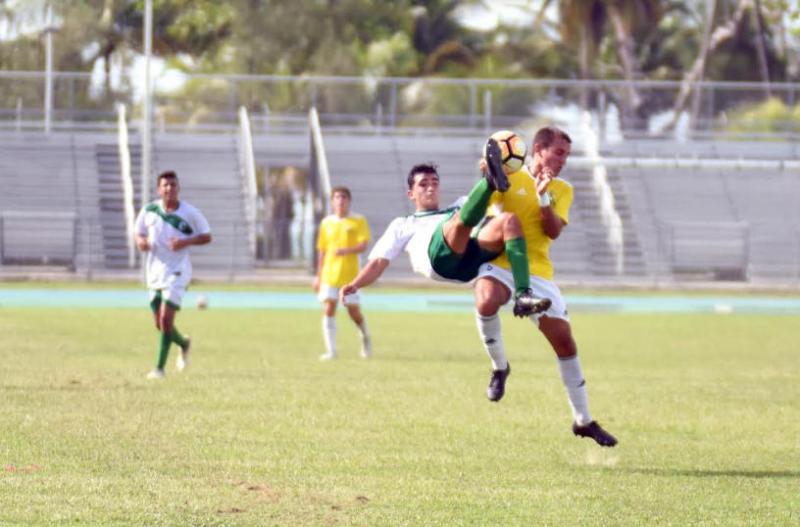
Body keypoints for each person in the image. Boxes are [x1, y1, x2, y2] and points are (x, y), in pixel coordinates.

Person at [474, 126, 618, 447]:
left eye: (567, 154)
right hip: (501, 263)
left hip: (538, 271)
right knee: (485, 300)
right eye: (559, 152)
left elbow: (553, 231)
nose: (564, 160)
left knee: (565, 343)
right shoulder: (509, 175)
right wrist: (488, 173)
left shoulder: (562, 189)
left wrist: (542, 197)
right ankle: (499, 368)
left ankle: (583, 421)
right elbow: (489, 206)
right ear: (538, 148)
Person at [340, 141, 551, 325]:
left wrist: (536, 181)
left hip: (468, 264)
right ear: (410, 194)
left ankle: (523, 296)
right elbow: (378, 263)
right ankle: (489, 180)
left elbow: (487, 209)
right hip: (438, 261)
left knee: (509, 221)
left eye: (434, 183)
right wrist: (355, 284)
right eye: (423, 184)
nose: (430, 188)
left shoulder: (459, 205)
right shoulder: (403, 224)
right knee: (458, 220)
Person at [134, 170, 212, 380]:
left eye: (173, 185)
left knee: (165, 318)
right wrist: (140, 242)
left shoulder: (190, 212)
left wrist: (185, 242)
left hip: (178, 271)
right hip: (155, 271)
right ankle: (184, 343)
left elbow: (206, 236)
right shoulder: (149, 210)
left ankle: (159, 369)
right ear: (159, 189)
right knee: (160, 325)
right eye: (165, 185)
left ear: (178, 188)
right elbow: (138, 232)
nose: (169, 189)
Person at [313, 186, 372, 360]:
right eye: (337, 197)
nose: (340, 200)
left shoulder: (358, 220)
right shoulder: (326, 223)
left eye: (343, 197)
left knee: (353, 312)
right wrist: (318, 276)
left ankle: (365, 336)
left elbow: (363, 245)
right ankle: (331, 351)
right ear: (332, 201)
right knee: (329, 308)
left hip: (350, 275)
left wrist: (346, 251)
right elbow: (322, 250)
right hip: (330, 274)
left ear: (349, 200)